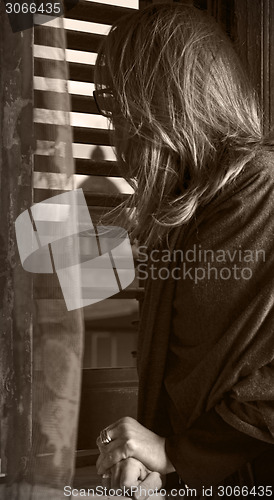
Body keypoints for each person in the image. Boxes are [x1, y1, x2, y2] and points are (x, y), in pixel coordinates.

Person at [93, 3, 274, 497]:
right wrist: (163, 459)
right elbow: (178, 374)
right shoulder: (182, 215)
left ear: (164, 108)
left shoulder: (262, 192)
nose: (115, 135)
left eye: (122, 111)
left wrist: (178, 454)